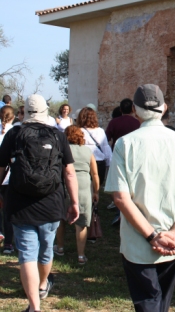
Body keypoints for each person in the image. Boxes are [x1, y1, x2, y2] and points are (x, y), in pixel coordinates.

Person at [105, 84, 175, 312]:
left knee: (149, 302)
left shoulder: (125, 144)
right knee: (162, 302)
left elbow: (120, 198)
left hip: (139, 243)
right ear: (164, 107)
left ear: (134, 110)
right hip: (174, 243)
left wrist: (152, 237)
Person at [0, 94, 79, 312]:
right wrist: (74, 202)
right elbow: (69, 173)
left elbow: (1, 168)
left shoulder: (14, 134)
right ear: (46, 111)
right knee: (46, 250)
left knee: (26, 253)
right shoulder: (57, 135)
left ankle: (34, 306)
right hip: (51, 203)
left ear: (24, 111)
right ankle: (43, 284)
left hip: (19, 203)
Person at [54, 125, 100, 264]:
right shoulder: (88, 151)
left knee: (61, 220)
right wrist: (96, 191)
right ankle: (81, 255)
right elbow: (95, 174)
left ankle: (60, 247)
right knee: (81, 223)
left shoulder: (61, 150)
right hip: (84, 188)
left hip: (65, 187)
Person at [77, 107, 112, 186]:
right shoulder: (100, 131)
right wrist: (108, 163)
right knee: (97, 186)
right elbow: (105, 147)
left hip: (84, 162)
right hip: (99, 162)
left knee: (85, 186)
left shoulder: (78, 131)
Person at [0, 105, 15, 254]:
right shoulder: (15, 132)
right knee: (9, 210)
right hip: (9, 175)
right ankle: (9, 243)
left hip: (4, 174)